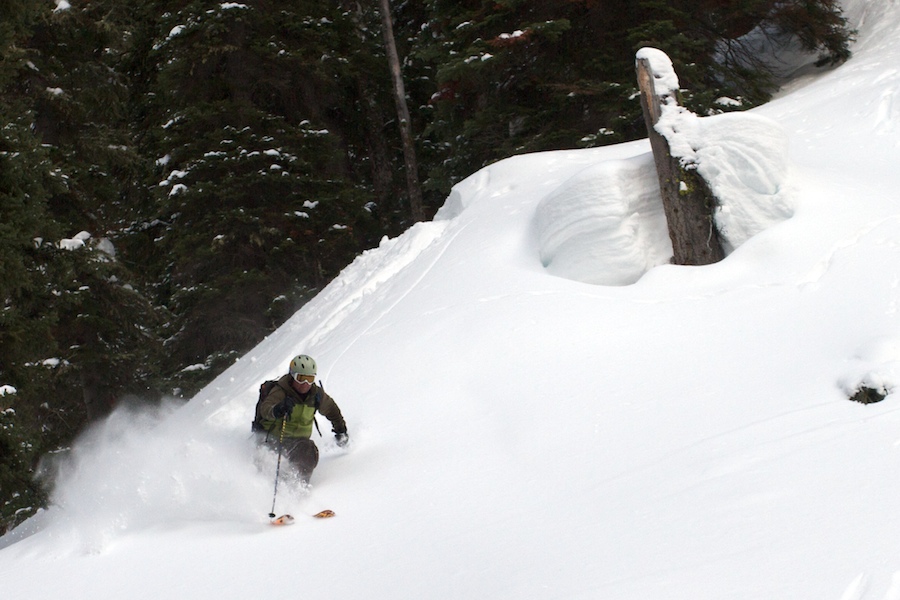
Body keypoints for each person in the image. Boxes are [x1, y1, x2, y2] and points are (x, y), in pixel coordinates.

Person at [256, 354, 348, 483]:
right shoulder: (281, 391)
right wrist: (278, 409)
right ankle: (266, 483)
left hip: (299, 443)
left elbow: (332, 410)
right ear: (292, 376)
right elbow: (265, 409)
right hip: (273, 440)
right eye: (301, 378)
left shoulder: (316, 395)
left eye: (310, 379)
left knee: (308, 451)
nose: (305, 384)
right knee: (270, 463)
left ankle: (299, 485)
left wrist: (340, 429)